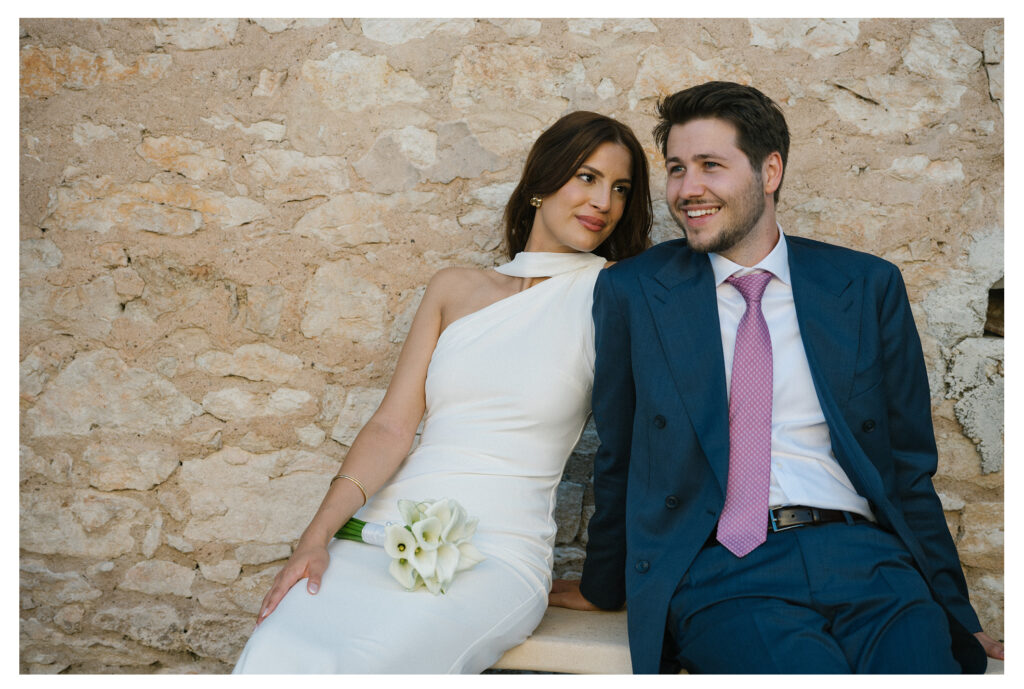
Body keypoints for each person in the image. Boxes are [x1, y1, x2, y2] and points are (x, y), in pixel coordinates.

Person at [549, 81, 1004, 673]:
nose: (688, 190)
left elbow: (909, 467)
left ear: (770, 171)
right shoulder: (635, 290)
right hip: (724, 570)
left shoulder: (865, 286)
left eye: (711, 166)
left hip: (869, 562)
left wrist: (954, 605)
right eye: (677, 169)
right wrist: (602, 584)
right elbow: (620, 452)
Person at [232, 110, 652, 673]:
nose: (603, 201)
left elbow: (641, 442)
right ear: (540, 183)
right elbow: (391, 427)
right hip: (381, 534)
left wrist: (607, 580)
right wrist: (315, 538)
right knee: (275, 651)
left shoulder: (614, 293)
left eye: (620, 188)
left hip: (499, 553)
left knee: (372, 664)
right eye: (586, 176)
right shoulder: (454, 288)